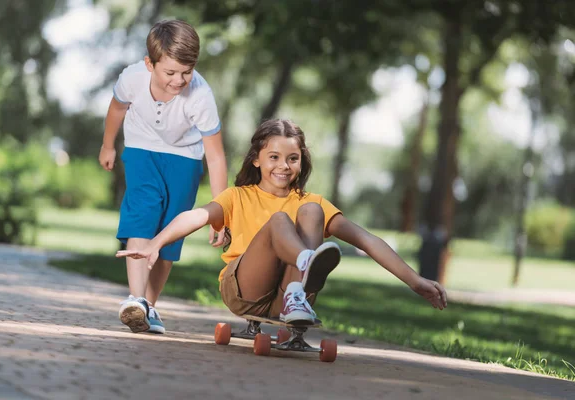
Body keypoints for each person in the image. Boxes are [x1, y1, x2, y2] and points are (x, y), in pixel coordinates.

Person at [116, 119, 447, 325]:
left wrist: (415, 281)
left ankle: (296, 293)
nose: (284, 166)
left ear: (301, 162)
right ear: (257, 159)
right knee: (278, 221)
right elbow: (196, 216)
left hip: (290, 299)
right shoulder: (238, 196)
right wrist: (156, 243)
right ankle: (306, 261)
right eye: (274, 157)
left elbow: (368, 240)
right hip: (245, 290)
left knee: (313, 213)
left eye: (293, 158)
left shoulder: (310, 202)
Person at [99, 20, 228, 334]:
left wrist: (220, 214)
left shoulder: (200, 96)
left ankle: (148, 306)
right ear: (150, 64)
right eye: (170, 72)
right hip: (142, 147)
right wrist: (107, 146)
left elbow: (216, 155)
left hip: (185, 157)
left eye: (186, 72)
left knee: (171, 229)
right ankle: (135, 298)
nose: (179, 80)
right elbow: (117, 109)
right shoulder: (132, 78)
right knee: (142, 214)